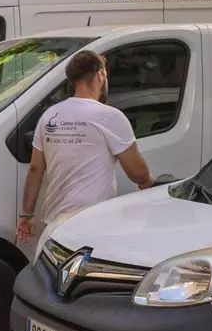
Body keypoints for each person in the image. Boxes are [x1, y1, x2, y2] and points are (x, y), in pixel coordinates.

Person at [17, 50, 153, 244]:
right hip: (93, 223)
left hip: (55, 222)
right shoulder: (110, 117)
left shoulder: (50, 115)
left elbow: (36, 168)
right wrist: (148, 182)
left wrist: (26, 215)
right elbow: (136, 172)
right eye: (105, 74)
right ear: (99, 75)